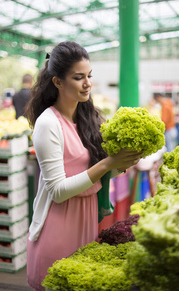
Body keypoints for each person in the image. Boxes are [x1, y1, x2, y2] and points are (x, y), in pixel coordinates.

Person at [25, 41, 143, 291]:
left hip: (87, 222)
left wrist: (123, 163)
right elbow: (57, 191)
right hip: (57, 228)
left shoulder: (87, 119)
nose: (87, 83)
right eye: (78, 77)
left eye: (89, 75)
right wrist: (107, 164)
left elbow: (99, 173)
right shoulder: (48, 124)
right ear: (58, 82)